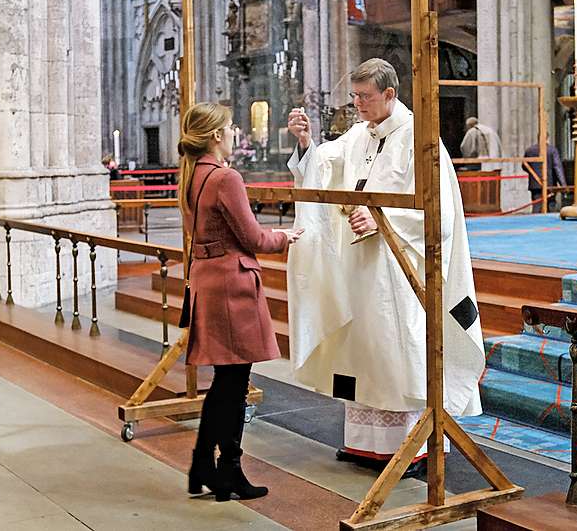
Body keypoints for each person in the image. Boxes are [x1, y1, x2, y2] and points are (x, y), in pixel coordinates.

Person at [285, 58, 485, 476]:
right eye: (355, 96)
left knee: (398, 349)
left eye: (365, 97)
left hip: (399, 268)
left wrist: (383, 219)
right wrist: (306, 144)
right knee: (362, 350)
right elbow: (325, 164)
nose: (357, 104)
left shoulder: (420, 139)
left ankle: (413, 448)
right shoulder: (359, 133)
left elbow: (439, 211)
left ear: (390, 94)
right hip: (360, 264)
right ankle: (364, 444)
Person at [178, 102, 304, 501]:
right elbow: (252, 239)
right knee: (232, 385)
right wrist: (288, 237)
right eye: (231, 128)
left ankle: (204, 464)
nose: (234, 134)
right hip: (231, 289)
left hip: (206, 283)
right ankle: (227, 468)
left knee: (225, 383)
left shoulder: (192, 176)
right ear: (216, 136)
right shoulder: (225, 177)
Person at [522, 133, 566, 213]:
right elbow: (557, 167)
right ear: (547, 138)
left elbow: (524, 166)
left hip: (535, 184)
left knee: (536, 206)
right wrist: (563, 185)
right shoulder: (552, 150)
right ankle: (551, 225)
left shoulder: (529, 150)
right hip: (550, 184)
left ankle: (534, 224)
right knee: (550, 206)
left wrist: (533, 174)